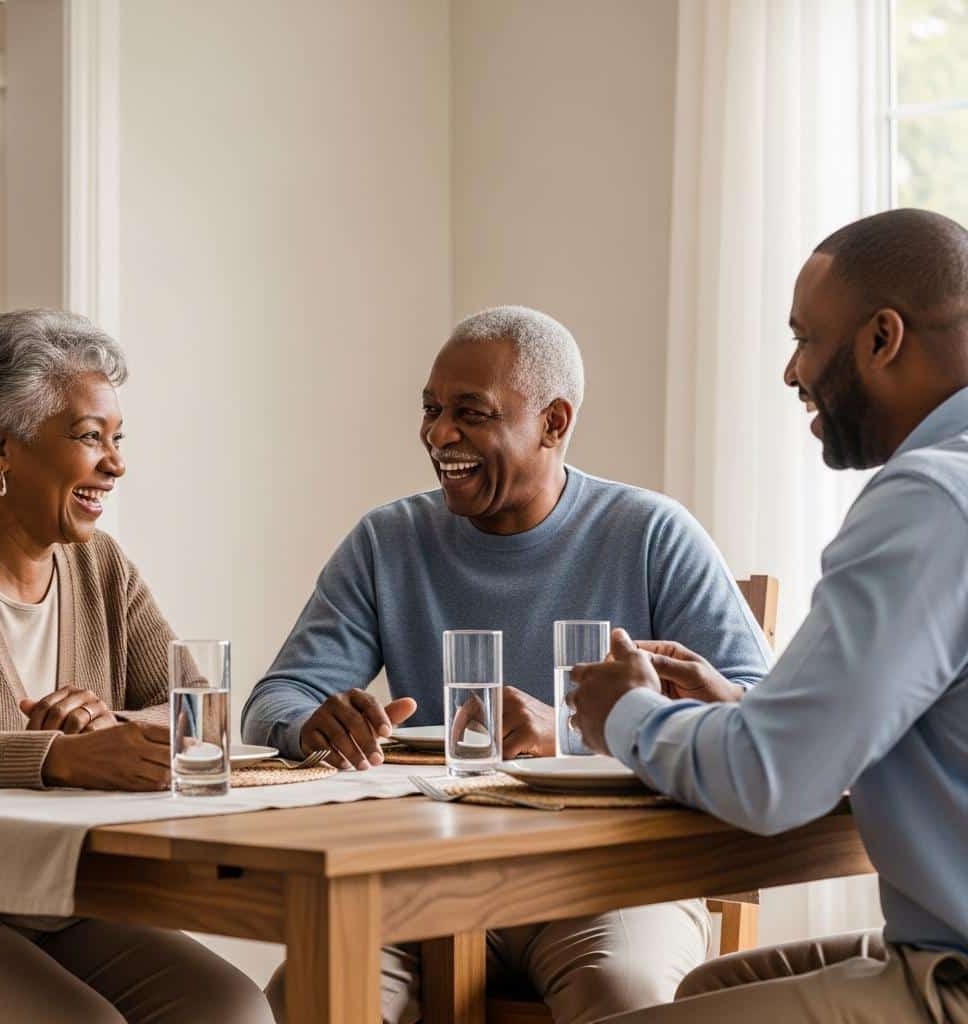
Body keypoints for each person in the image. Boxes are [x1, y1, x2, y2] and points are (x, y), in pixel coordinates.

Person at [243, 305, 771, 1024]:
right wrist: (315, 723)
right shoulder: (388, 540)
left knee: (623, 997)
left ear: (554, 422)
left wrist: (578, 734)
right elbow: (276, 698)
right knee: (305, 1002)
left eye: (470, 413)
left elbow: (757, 708)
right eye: (430, 410)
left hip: (610, 882)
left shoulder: (651, 533)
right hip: (425, 882)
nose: (437, 435)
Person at [568, 209, 968, 1022]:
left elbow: (769, 782)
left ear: (882, 338)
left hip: (951, 976)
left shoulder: (929, 498)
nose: (792, 373)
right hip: (937, 937)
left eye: (805, 339)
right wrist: (758, 717)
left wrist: (625, 714)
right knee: (709, 988)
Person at [0, 310, 273, 1024]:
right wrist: (57, 757)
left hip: (61, 896)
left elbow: (200, 705)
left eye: (117, 440)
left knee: (232, 1009)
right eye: (90, 438)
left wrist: (112, 726)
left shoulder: (100, 566)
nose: (116, 464)